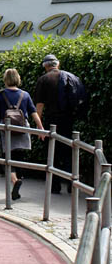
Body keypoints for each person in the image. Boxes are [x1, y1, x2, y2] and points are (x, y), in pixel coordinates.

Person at [0, 68, 44, 200]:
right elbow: (33, 112)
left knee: (7, 159)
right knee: (19, 158)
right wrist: (40, 127)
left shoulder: (0, 94)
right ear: (18, 78)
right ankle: (18, 182)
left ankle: (14, 181)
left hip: (7, 130)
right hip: (22, 129)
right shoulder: (25, 95)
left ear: (5, 79)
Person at [34, 54, 83, 194]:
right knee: (68, 152)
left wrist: (39, 127)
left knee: (52, 153)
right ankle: (72, 184)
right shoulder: (71, 77)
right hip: (68, 121)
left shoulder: (43, 80)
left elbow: (40, 106)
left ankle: (54, 186)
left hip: (52, 122)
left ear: (45, 66)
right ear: (58, 64)